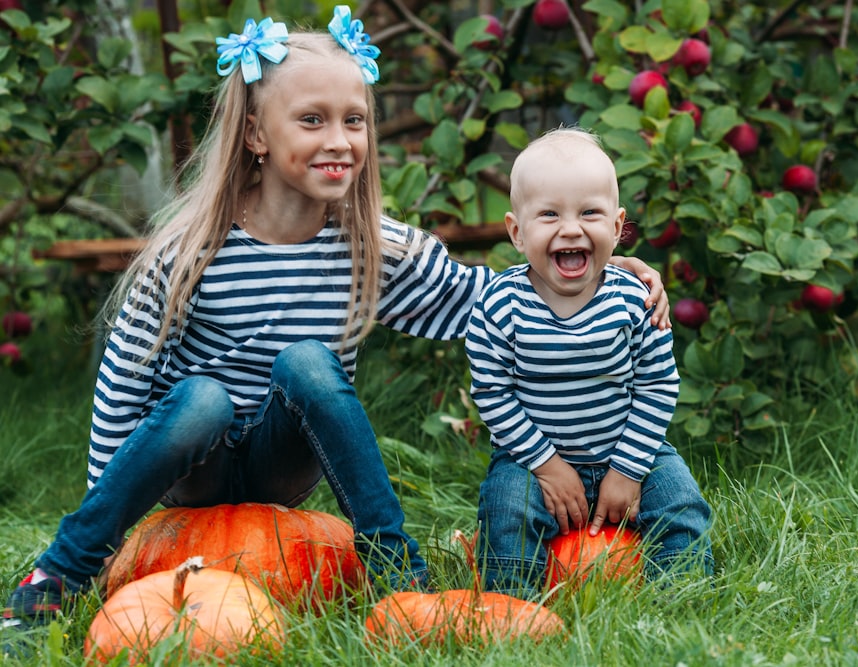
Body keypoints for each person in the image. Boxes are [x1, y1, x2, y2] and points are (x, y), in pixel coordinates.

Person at [1, 9, 671, 649]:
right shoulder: (191, 252)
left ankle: (395, 567)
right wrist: (109, 509)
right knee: (200, 397)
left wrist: (599, 274)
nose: (339, 139)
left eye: (354, 120)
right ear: (258, 135)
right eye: (313, 120)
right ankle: (60, 570)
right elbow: (127, 381)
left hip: (280, 462)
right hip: (193, 469)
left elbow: (486, 298)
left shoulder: (369, 247)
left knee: (309, 361)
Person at [467, 127, 713, 599]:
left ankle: (682, 601)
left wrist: (629, 468)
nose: (572, 228)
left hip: (625, 447)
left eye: (589, 213)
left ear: (618, 228)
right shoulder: (499, 306)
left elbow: (658, 385)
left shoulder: (633, 301)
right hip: (531, 460)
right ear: (517, 232)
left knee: (681, 502)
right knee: (506, 509)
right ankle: (511, 608)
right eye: (549, 214)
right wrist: (547, 465)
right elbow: (492, 394)